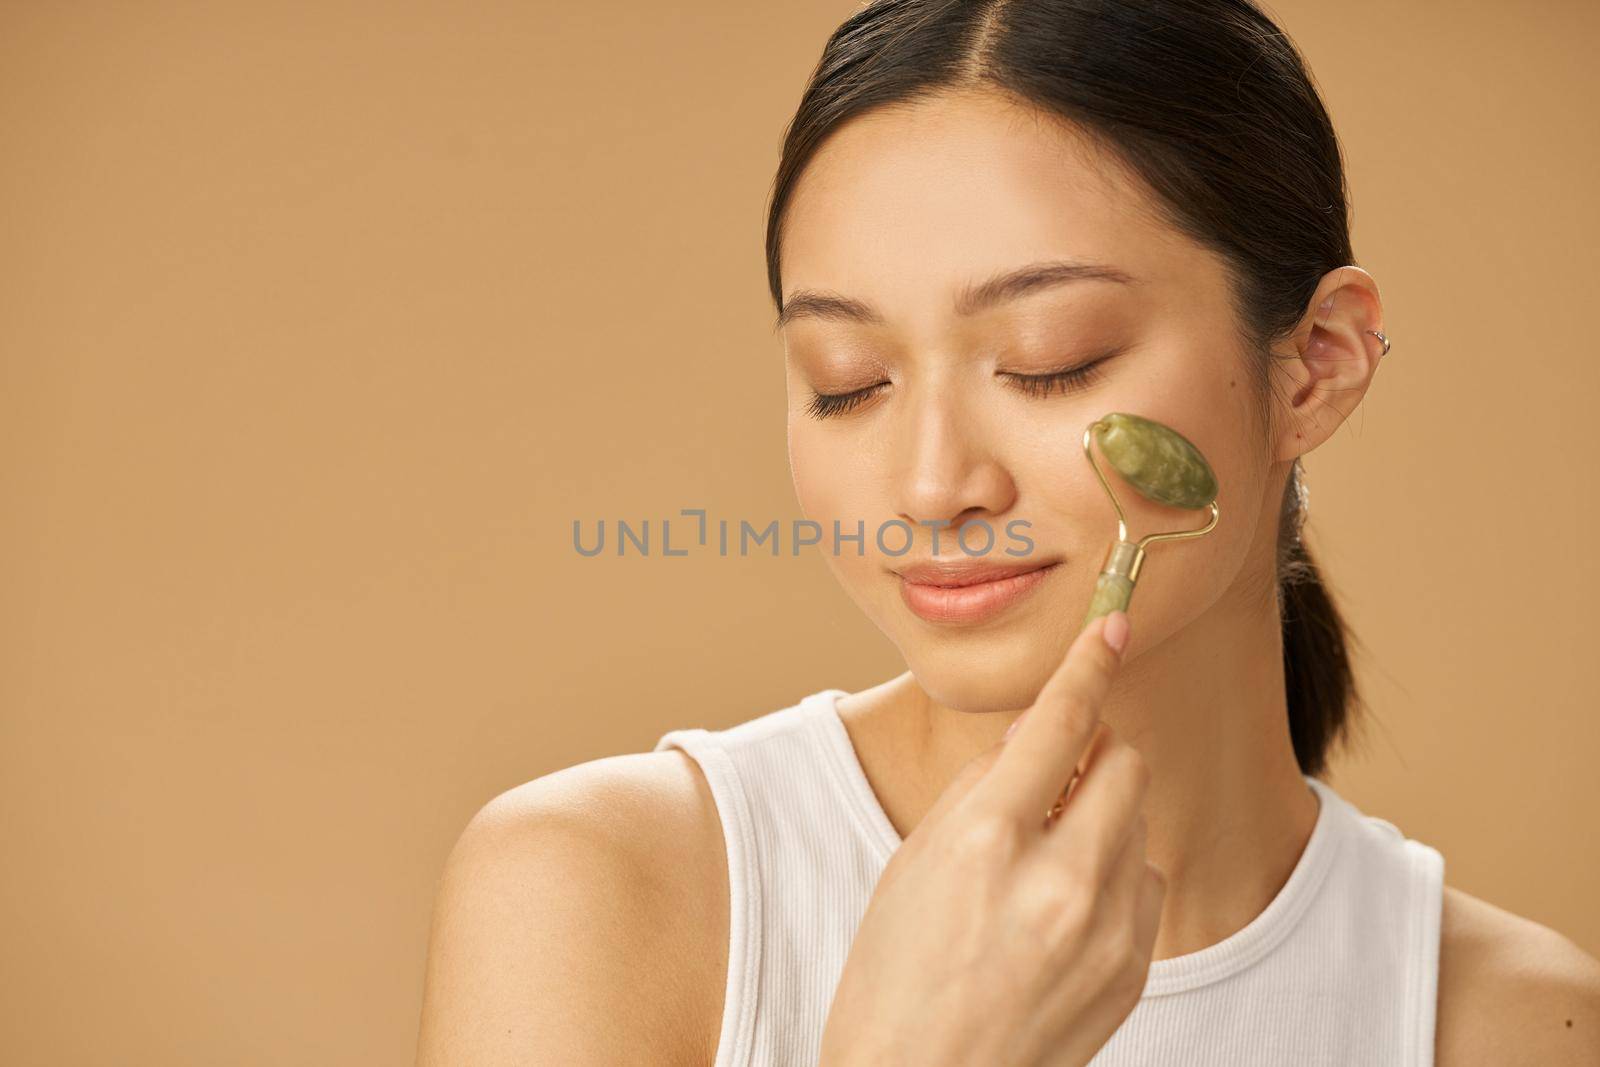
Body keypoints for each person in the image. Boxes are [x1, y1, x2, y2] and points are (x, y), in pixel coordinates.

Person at [414, 1, 1600, 1064]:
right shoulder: (604, 891)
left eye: (1051, 362)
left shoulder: (1511, 1022)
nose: (931, 486)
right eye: (846, 380)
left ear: (1316, 365)